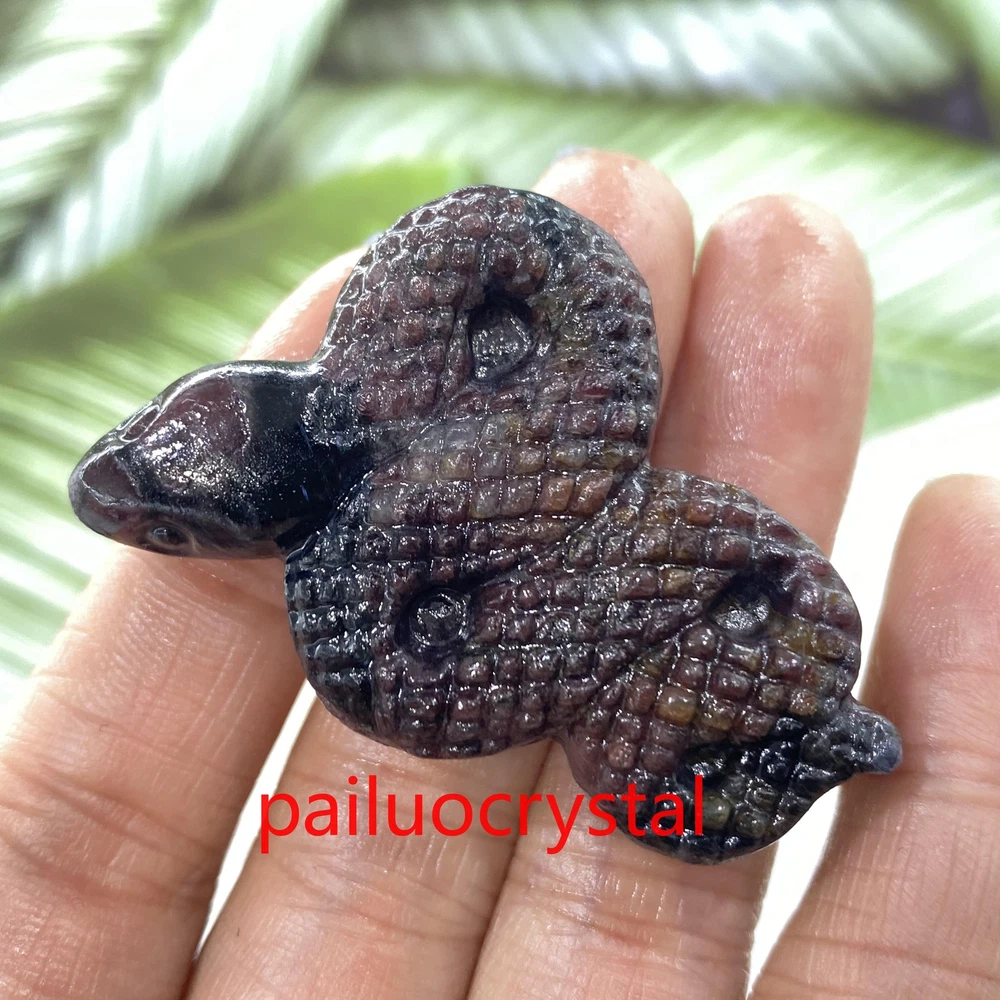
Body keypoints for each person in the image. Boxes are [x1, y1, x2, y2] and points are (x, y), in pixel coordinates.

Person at [0, 151, 996, 999]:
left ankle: (799, 731)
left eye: (168, 531)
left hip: (743, 615)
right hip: (723, 618)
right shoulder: (375, 581)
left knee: (655, 741)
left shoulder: (377, 550)